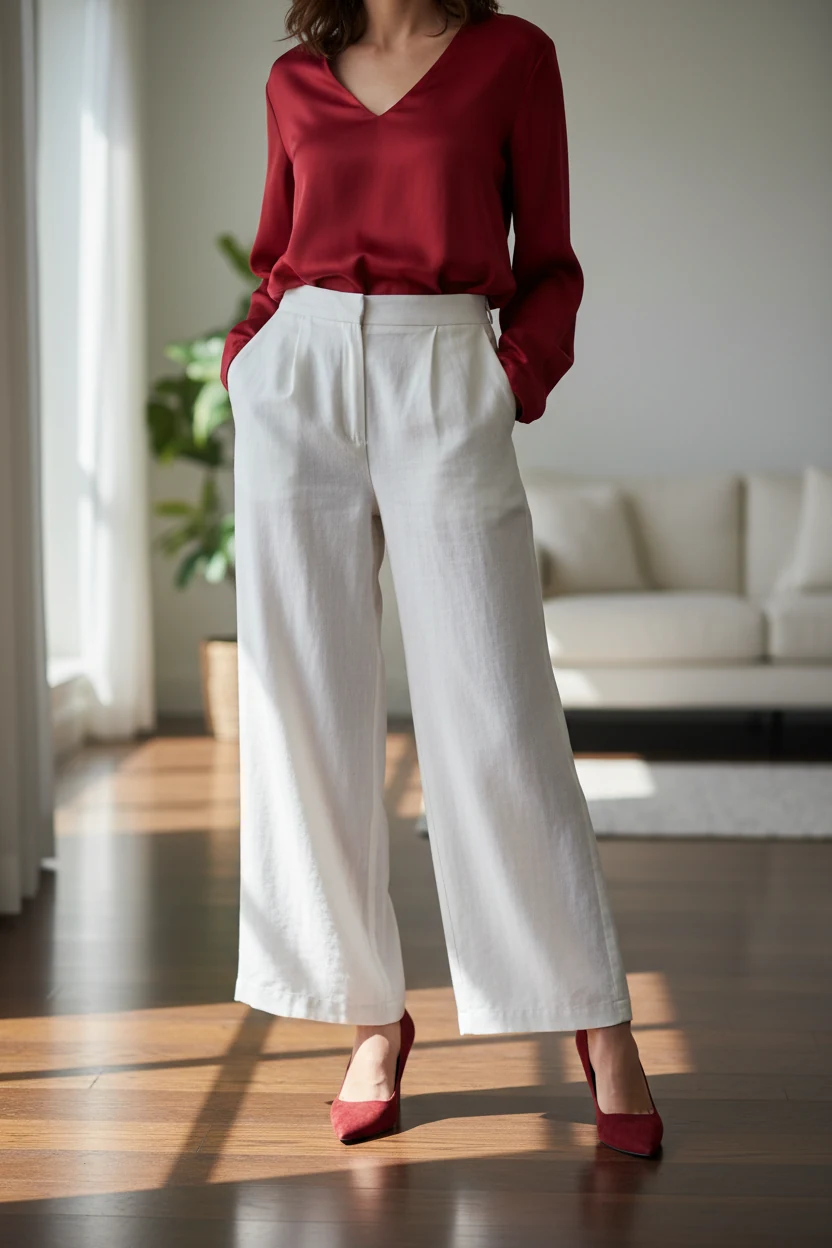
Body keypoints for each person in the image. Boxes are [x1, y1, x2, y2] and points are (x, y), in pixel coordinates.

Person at [222, 0, 663, 1156]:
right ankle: (370, 1018)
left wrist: (505, 379)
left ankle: (593, 1017)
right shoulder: (294, 79)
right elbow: (274, 255)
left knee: (496, 710)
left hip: (442, 369)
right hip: (299, 380)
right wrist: (249, 363)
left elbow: (550, 260)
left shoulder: (514, 58)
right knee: (302, 707)